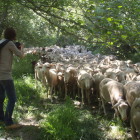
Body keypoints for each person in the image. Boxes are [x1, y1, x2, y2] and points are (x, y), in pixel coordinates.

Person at [0, 27, 24, 130]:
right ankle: (9, 123)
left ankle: (1, 119)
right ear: (13, 35)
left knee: (0, 98)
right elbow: (21, 55)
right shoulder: (10, 43)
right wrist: (21, 46)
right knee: (12, 98)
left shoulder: (1, 42)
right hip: (5, 75)